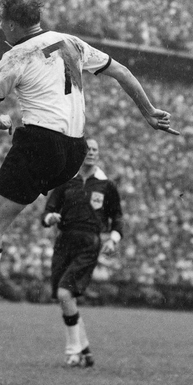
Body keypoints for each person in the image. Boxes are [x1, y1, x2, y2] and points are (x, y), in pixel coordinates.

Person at [0, 0, 177, 333]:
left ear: (9, 24)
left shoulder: (16, 55)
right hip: (73, 151)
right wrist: (148, 112)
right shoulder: (71, 42)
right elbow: (122, 71)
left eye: (1, 24)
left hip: (39, 143)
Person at [42, 137, 123, 367]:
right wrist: (50, 218)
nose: (91, 152)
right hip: (64, 240)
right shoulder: (66, 180)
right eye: (87, 149)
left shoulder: (107, 185)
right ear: (80, 153)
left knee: (65, 294)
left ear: (99, 154)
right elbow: (47, 210)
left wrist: (113, 239)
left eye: (95, 149)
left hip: (89, 243)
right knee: (64, 297)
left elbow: (117, 216)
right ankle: (85, 351)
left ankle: (73, 352)